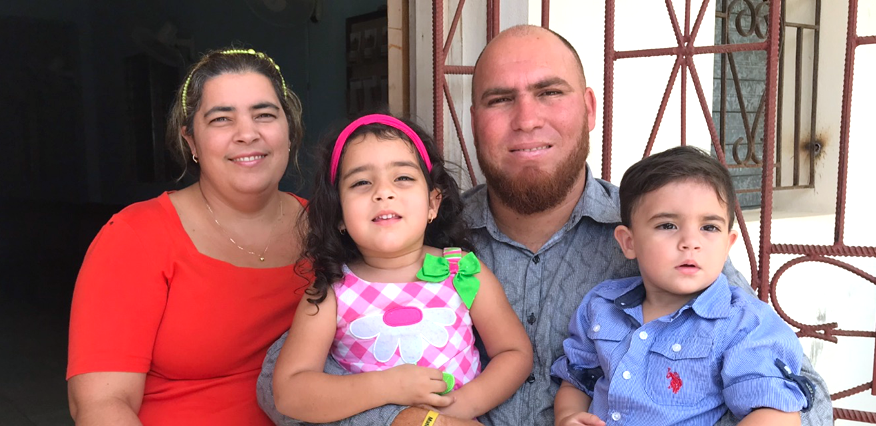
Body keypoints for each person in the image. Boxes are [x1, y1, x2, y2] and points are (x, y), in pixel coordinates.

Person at [257, 25, 832, 426]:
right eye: (500, 100)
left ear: (587, 107)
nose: (526, 119)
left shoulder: (665, 236)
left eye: (549, 93)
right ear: (474, 120)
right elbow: (280, 392)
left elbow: (801, 396)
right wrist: (416, 420)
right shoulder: (421, 240)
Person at [67, 48, 311, 425]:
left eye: (264, 115)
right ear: (191, 141)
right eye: (221, 119)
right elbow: (101, 405)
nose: (247, 133)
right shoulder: (136, 237)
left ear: (290, 132)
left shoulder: (333, 228)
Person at [271, 114, 532, 424]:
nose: (383, 192)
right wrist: (387, 386)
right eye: (361, 182)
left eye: (403, 178)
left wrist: (460, 407)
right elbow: (289, 392)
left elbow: (514, 352)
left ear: (433, 203)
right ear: (337, 214)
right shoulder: (331, 291)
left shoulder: (461, 270)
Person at [551, 146, 811, 426]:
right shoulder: (601, 306)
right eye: (667, 225)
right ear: (629, 242)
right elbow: (577, 380)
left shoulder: (743, 324)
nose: (690, 241)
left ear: (727, 245)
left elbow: (775, 411)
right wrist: (568, 416)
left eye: (709, 227)